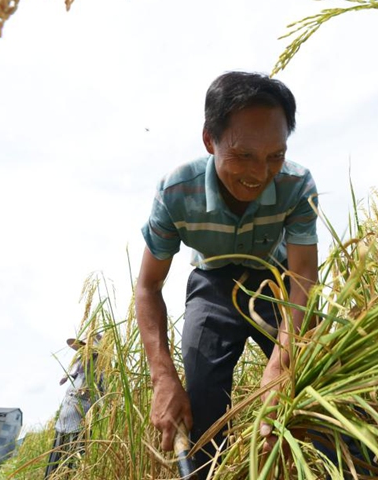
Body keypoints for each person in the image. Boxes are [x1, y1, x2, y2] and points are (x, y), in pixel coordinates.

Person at [135, 71, 319, 478]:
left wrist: (281, 367)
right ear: (209, 140)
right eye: (244, 155)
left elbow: (303, 279)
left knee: (313, 380)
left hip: (276, 283)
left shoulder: (297, 185)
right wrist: (162, 376)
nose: (260, 173)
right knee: (200, 402)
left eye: (275, 155)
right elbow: (148, 286)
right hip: (212, 283)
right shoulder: (175, 192)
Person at [45, 335, 103, 479]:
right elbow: (69, 374)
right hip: (65, 415)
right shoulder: (79, 365)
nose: (83, 351)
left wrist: (87, 393)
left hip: (79, 419)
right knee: (56, 456)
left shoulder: (100, 369)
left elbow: (103, 396)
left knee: (72, 459)